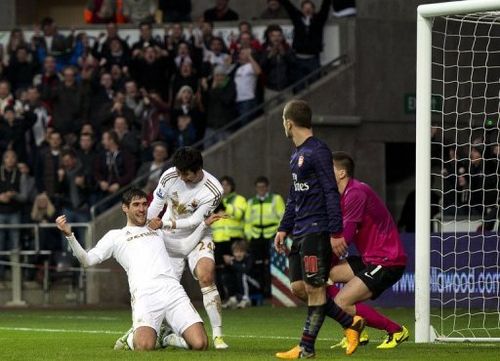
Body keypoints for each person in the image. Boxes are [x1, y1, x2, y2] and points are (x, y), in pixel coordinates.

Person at [55, 188, 210, 351]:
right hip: (145, 295)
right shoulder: (115, 236)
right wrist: (69, 236)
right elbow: (87, 260)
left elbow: (183, 248)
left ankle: (166, 338)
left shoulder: (157, 229)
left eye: (144, 204)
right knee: (144, 347)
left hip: (173, 291)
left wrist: (204, 225)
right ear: (125, 208)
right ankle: (130, 337)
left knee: (201, 344)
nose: (142, 209)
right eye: (136, 205)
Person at [274, 100, 362, 359]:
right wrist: (283, 227)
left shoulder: (318, 151)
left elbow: (330, 191)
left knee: (315, 288)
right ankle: (351, 323)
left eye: (283, 120)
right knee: (300, 287)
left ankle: (306, 348)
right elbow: (294, 196)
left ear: (289, 123)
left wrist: (335, 232)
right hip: (299, 230)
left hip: (317, 229)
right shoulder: (295, 155)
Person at [145, 147, 229, 350]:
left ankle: (218, 335)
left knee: (206, 275)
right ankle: (166, 333)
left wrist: (165, 224)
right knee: (165, 289)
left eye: (186, 174)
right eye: (179, 172)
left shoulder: (213, 189)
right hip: (168, 238)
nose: (181, 178)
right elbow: (156, 205)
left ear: (199, 169)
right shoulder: (169, 176)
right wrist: (148, 225)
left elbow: (194, 221)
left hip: (198, 233)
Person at [328, 151, 408, 349]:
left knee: (340, 303)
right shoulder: (342, 196)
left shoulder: (356, 193)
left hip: (387, 260)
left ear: (341, 173)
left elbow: (344, 238)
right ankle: (356, 333)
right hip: (370, 258)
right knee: (323, 275)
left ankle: (396, 330)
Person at [244, 176, 285, 297]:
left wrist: (279, 234)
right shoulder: (251, 202)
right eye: (258, 187)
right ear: (256, 188)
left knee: (271, 265)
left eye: (263, 186)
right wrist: (249, 236)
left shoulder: (275, 199)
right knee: (257, 264)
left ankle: (273, 292)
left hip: (271, 235)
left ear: (267, 187)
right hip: (256, 237)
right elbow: (247, 221)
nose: (261, 189)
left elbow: (282, 217)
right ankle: (261, 291)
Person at [279, 0, 331, 82]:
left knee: (315, 84)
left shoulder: (318, 20)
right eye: (305, 8)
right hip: (298, 59)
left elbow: (325, 8)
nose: (307, 10)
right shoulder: (297, 19)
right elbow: (289, 6)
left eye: (310, 8)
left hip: (313, 59)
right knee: (299, 84)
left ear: (314, 10)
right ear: (302, 10)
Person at [221, 239, 260, 309]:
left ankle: (246, 299)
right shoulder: (233, 261)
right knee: (227, 276)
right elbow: (228, 273)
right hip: (240, 287)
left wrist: (233, 263)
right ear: (233, 253)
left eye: (241, 252)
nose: (238, 254)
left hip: (254, 285)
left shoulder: (249, 258)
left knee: (243, 275)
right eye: (236, 252)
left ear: (245, 252)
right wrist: (228, 263)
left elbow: (246, 270)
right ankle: (233, 298)